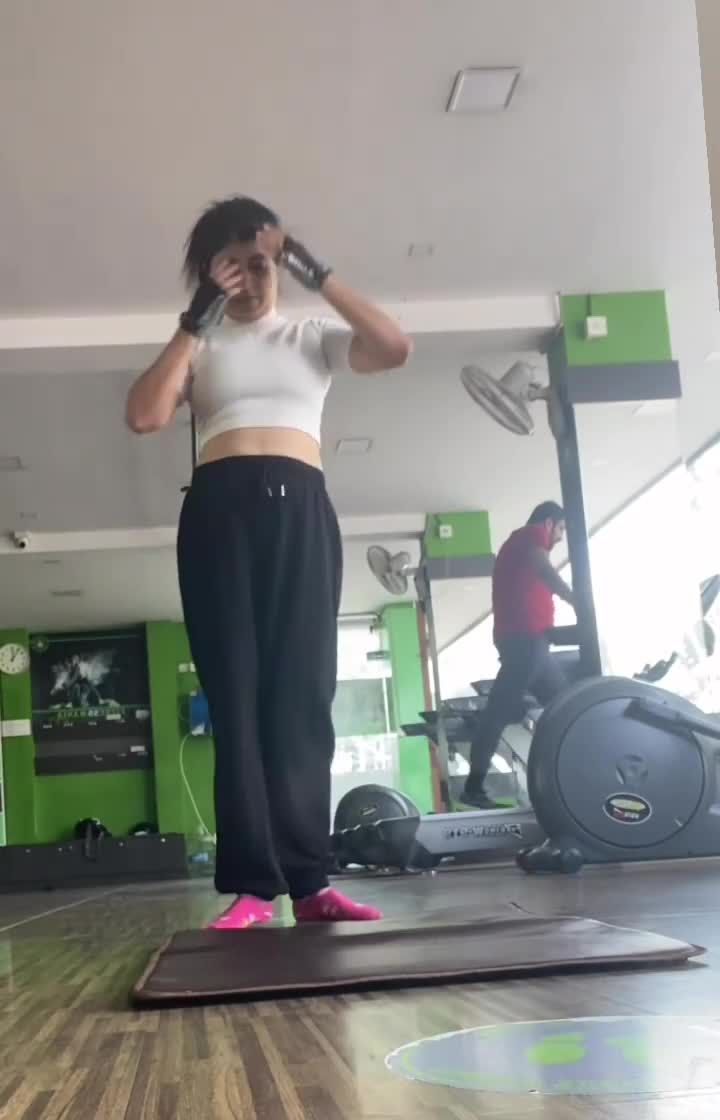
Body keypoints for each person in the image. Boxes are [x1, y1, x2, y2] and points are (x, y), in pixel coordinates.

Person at [126, 196, 411, 928]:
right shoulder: (203, 344)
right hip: (218, 514)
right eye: (231, 268)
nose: (250, 281)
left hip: (301, 510)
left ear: (280, 266)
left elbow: (393, 347)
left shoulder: (310, 336)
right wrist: (196, 318)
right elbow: (145, 414)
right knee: (238, 699)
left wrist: (315, 269)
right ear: (208, 275)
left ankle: (311, 882)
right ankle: (253, 887)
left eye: (260, 265)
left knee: (303, 697)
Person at [462, 501, 575, 809]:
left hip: (533, 643)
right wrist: (575, 599)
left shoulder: (519, 545)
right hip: (526, 642)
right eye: (561, 529)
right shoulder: (530, 536)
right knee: (499, 713)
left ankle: (570, 778)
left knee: (567, 710)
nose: (561, 537)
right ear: (548, 523)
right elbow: (544, 569)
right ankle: (473, 788)